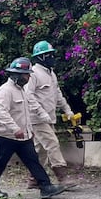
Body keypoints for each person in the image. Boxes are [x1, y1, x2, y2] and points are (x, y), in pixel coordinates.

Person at [0, 57, 65, 199]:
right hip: (5, 135)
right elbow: (1, 113)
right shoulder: (5, 91)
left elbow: (31, 107)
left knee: (33, 160)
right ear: (17, 74)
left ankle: (45, 186)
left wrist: (44, 117)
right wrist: (15, 129)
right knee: (1, 162)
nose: (29, 77)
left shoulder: (22, 91)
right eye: (26, 74)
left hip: (23, 135)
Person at [25, 40, 76, 187]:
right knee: (52, 143)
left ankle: (34, 179)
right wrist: (41, 113)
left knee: (40, 149)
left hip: (49, 117)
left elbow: (58, 94)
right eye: (48, 55)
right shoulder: (33, 74)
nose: (52, 57)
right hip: (37, 118)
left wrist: (67, 110)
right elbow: (29, 96)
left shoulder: (51, 74)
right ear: (40, 57)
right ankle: (62, 178)